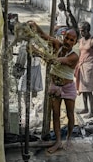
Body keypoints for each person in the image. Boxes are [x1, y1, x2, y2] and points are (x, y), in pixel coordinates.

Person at [28, 21, 79, 153]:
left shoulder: (74, 56)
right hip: (54, 87)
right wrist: (34, 25)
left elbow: (54, 61)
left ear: (75, 42)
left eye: (71, 40)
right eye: (66, 38)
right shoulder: (58, 45)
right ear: (64, 37)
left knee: (70, 114)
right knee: (55, 115)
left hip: (68, 88)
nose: (68, 41)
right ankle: (58, 142)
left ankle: (68, 139)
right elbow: (44, 36)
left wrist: (37, 52)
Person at [75, 21, 93, 118]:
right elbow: (80, 53)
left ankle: (91, 111)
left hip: (89, 67)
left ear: (88, 30)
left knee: (89, 90)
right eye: (80, 31)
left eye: (83, 31)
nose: (82, 33)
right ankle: (85, 108)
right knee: (83, 88)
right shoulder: (81, 40)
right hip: (81, 66)